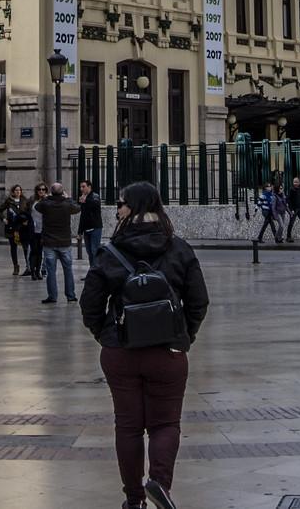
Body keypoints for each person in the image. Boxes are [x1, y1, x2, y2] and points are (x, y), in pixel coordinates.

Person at [81, 181, 209, 509]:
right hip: (168, 352)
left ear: (134, 207)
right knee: (165, 423)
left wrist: (106, 336)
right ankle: (160, 483)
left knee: (128, 426)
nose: (117, 209)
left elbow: (90, 304)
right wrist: (184, 337)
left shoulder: (110, 252)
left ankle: (133, 500)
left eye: (121, 203)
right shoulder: (179, 247)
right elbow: (199, 301)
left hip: (120, 352)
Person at [37, 183, 81, 303]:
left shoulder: (46, 204)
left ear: (51, 192)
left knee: (51, 271)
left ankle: (52, 296)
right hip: (64, 242)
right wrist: (68, 198)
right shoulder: (67, 204)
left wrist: (47, 197)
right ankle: (71, 295)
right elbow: (77, 208)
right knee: (68, 270)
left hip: (49, 242)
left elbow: (37, 207)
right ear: (62, 192)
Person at [1, 185, 32, 276]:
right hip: (12, 228)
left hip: (23, 228)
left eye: (19, 190)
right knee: (13, 247)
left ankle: (28, 266)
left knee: (26, 247)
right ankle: (16, 266)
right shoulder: (9, 201)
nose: (18, 192)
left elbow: (29, 212)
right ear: (13, 192)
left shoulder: (25, 201)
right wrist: (3, 219)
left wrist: (27, 220)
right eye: (16, 190)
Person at [78, 181, 105, 263]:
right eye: (81, 187)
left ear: (89, 187)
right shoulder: (83, 198)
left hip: (95, 228)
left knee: (95, 251)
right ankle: (92, 270)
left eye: (83, 186)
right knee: (89, 252)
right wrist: (80, 232)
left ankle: (96, 271)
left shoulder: (95, 196)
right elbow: (82, 215)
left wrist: (85, 200)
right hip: (86, 229)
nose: (81, 189)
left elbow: (95, 204)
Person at [27, 184, 49, 279]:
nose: (41, 191)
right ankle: (32, 272)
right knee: (33, 251)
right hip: (33, 229)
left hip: (43, 230)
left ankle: (38, 271)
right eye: (39, 189)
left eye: (43, 189)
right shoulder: (32, 200)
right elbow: (26, 212)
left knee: (40, 252)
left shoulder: (48, 201)